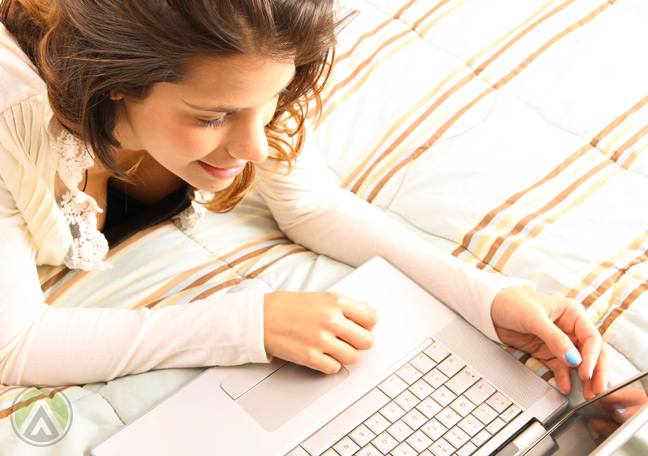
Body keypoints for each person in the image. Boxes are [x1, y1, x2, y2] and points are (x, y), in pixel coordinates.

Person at [0, 0, 607, 398]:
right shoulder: (12, 124)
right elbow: (15, 346)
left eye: (270, 103)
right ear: (113, 91)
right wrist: (252, 322)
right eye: (213, 118)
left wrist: (488, 297)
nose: (256, 146)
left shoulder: (252, 48)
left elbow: (313, 205)